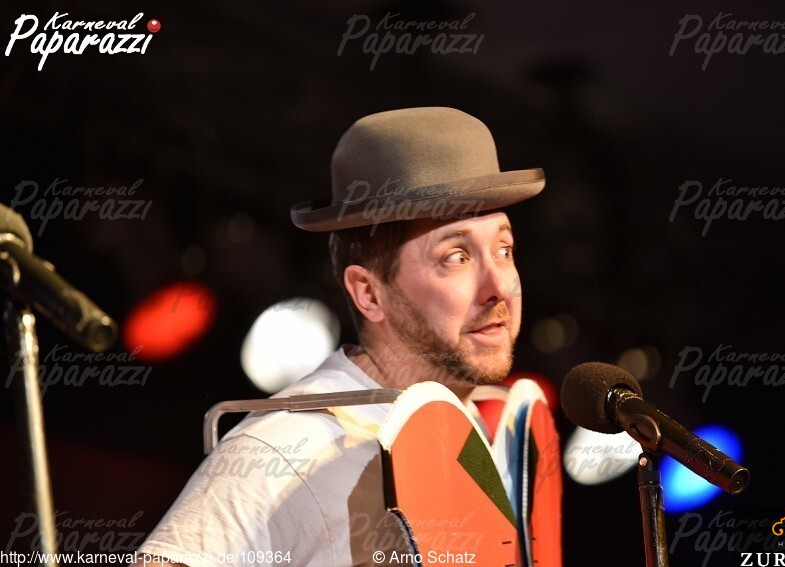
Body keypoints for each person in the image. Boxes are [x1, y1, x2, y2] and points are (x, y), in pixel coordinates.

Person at [134, 106, 546, 566]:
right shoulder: (286, 448)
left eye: (504, 249)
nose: (499, 286)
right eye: (457, 257)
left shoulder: (474, 436)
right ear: (369, 293)